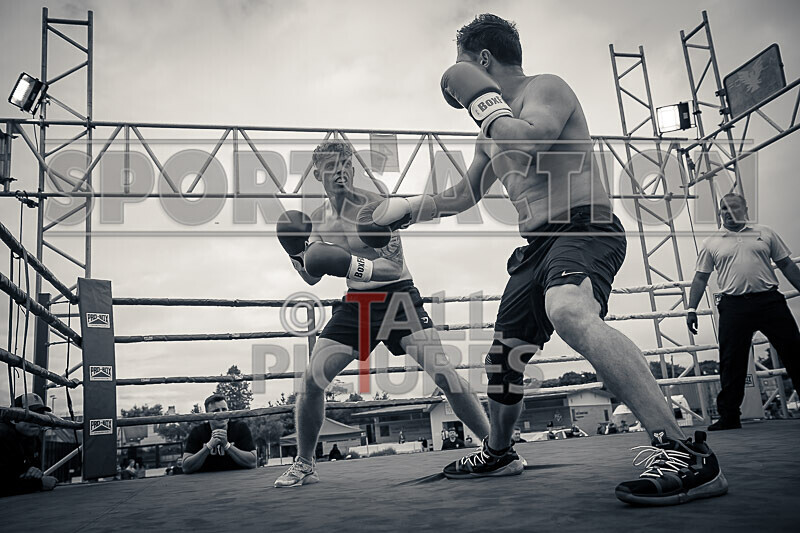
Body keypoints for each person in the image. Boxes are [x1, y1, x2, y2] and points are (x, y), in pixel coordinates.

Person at [358, 13, 727, 506]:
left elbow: (530, 140)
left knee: (569, 309)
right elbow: (462, 196)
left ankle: (684, 451)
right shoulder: (489, 131)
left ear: (482, 60)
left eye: (463, 65)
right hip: (535, 249)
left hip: (584, 228)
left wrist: (482, 99)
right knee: (504, 357)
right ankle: (500, 451)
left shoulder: (546, 89)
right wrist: (404, 209)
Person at [273, 140, 491, 488]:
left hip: (397, 296)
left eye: (346, 166)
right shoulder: (316, 221)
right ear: (317, 174)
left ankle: (495, 448)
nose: (340, 173)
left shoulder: (373, 208)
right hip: (356, 305)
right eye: (331, 167)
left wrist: (350, 263)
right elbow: (312, 274)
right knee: (312, 382)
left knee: (444, 373)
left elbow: (393, 266)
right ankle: (305, 463)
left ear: (353, 169)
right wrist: (296, 254)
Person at [687, 193, 800, 430]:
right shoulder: (712, 242)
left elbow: (787, 265)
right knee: (731, 362)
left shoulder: (765, 232)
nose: (727, 213)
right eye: (723, 209)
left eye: (732, 208)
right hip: (734, 305)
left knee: (794, 352)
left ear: (745, 209)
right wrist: (691, 309)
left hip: (769, 300)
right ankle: (729, 416)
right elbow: (700, 278)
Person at [182, 394, 257, 474]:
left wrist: (227, 445)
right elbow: (186, 467)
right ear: (207, 415)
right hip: (205, 483)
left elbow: (252, 462)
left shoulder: (240, 428)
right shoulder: (197, 432)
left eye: (224, 409)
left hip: (238, 481)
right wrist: (209, 446)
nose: (221, 414)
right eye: (216, 411)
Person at [0, 393, 58, 497]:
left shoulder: (33, 439)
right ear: (14, 417)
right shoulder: (2, 436)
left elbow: (23, 475)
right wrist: (37, 484)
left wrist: (31, 474)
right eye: (30, 415)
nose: (36, 420)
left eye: (40, 415)